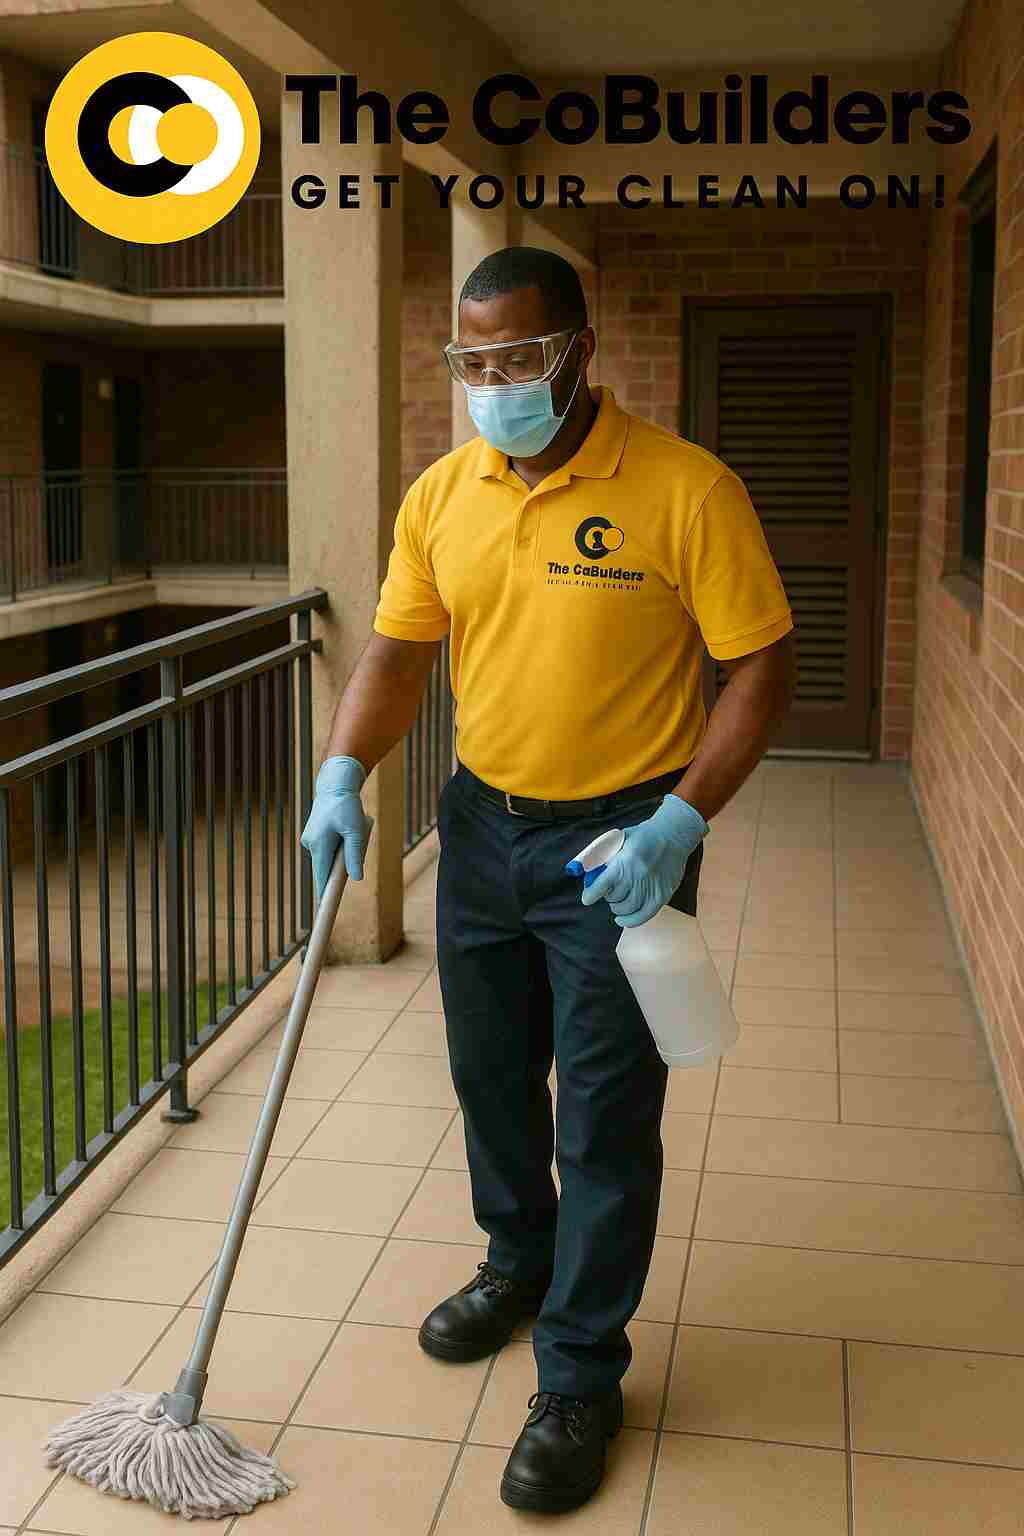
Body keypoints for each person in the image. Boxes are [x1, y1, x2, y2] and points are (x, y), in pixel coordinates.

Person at [300, 245, 795, 1515]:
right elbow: (399, 655)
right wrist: (343, 771)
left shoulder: (686, 488)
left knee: (606, 1119)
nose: (492, 382)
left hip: (619, 843)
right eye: (470, 361)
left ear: (577, 350)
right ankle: (517, 1262)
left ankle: (578, 1375)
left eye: (515, 357)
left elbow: (759, 667)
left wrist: (678, 822)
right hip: (481, 830)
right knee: (490, 1076)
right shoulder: (442, 494)